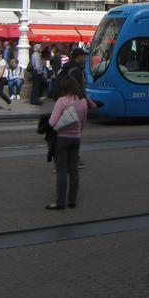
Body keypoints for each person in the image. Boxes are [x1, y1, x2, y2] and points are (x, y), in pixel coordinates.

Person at [46, 74, 88, 210]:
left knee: (61, 171)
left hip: (62, 139)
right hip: (76, 139)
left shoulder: (62, 101)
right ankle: (72, 200)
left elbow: (52, 122)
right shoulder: (83, 102)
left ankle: (60, 202)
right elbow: (83, 123)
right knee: (74, 170)